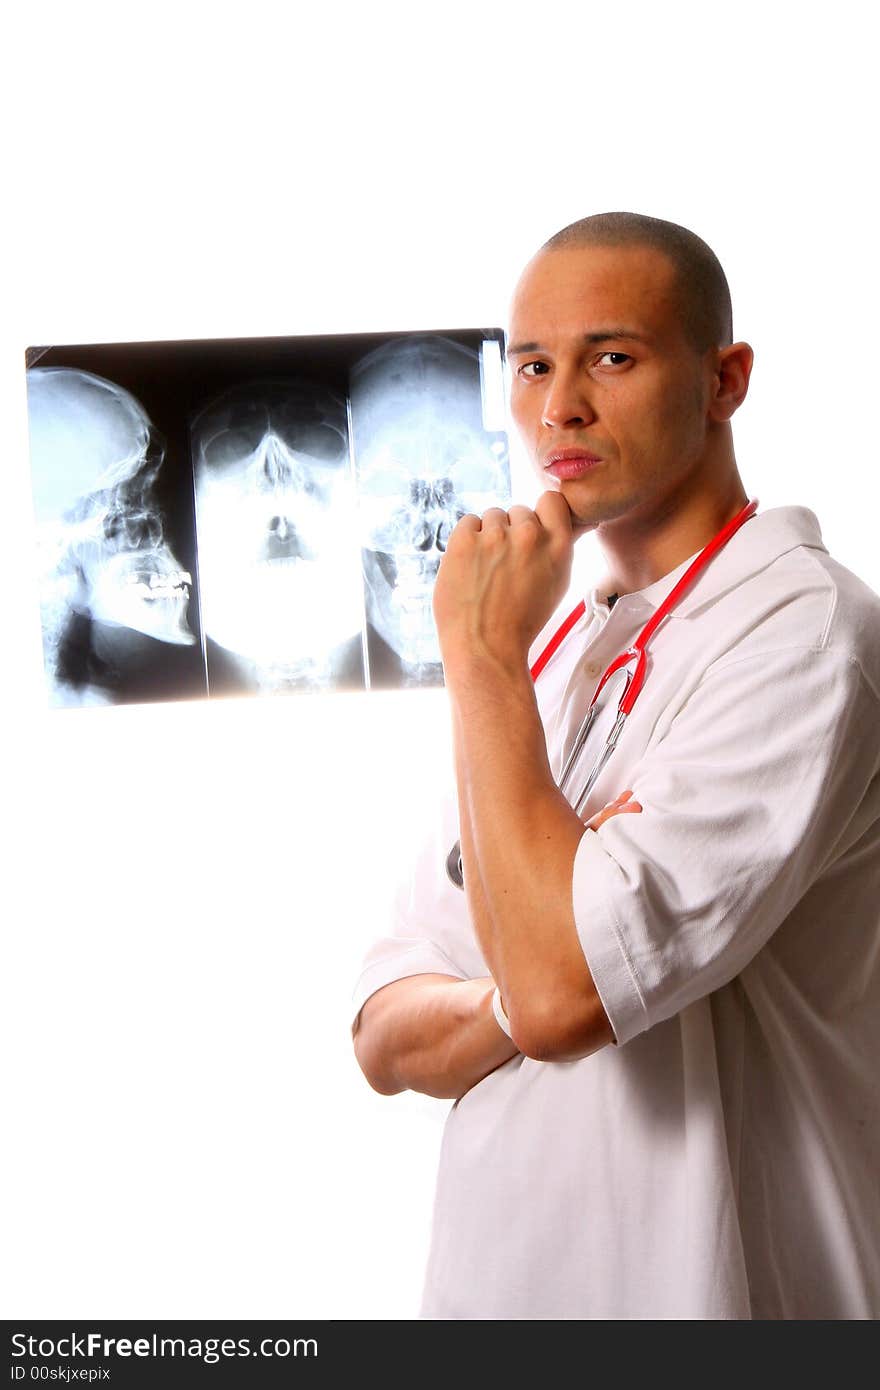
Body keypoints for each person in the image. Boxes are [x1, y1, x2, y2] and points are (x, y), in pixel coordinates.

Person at [350, 212, 880, 1319]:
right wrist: (544, 949)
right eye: (534, 365)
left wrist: (482, 661)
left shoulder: (801, 631)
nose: (560, 408)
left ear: (724, 379)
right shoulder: (565, 649)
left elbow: (555, 993)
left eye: (612, 357)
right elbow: (385, 1030)